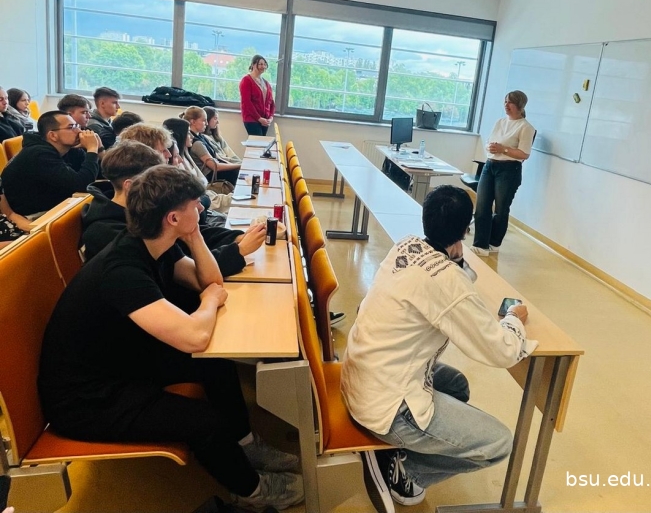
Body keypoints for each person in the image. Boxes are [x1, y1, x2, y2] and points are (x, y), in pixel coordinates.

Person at [38, 165, 303, 510]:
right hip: (85, 399)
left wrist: (194, 238)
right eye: (195, 205)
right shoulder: (122, 270)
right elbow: (194, 336)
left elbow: (208, 281)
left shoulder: (153, 243)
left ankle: (244, 444)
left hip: (118, 362)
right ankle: (251, 491)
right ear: (173, 218)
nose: (202, 209)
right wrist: (209, 303)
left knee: (216, 363)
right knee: (203, 422)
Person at [341, 185, 536, 511]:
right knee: (499, 443)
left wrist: (454, 257)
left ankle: (400, 448)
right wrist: (514, 318)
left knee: (456, 384)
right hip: (386, 406)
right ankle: (407, 473)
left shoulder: (406, 246)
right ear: (465, 231)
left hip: (362, 378)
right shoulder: (447, 281)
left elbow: (453, 280)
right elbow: (501, 350)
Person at [81, 141, 266, 280]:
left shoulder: (147, 215)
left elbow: (191, 256)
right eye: (155, 179)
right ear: (131, 186)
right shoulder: (111, 233)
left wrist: (239, 238)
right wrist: (238, 250)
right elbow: (185, 277)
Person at [471, 91, 536, 257]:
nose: (506, 105)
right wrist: (491, 147)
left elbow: (524, 154)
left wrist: (503, 149)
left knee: (500, 210)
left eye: (510, 102)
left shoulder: (526, 127)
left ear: (520, 106)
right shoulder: (500, 122)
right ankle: (480, 245)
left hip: (509, 170)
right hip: (490, 165)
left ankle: (494, 243)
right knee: (482, 206)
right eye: (505, 101)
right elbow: (489, 142)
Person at [1, 111, 99, 217]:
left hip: (56, 204)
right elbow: (83, 185)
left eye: (77, 126)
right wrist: (92, 149)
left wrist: (99, 149)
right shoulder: (39, 154)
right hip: (32, 216)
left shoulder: (67, 147)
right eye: (71, 127)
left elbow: (98, 174)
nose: (79, 131)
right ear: (53, 135)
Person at [163, 117, 236, 215]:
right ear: (181, 135)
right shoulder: (176, 162)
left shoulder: (186, 154)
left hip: (206, 194)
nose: (191, 136)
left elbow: (202, 182)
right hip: (202, 199)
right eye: (188, 133)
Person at [181, 107, 241, 185]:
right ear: (193, 122)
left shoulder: (202, 137)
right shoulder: (197, 143)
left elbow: (218, 158)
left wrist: (235, 164)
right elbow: (215, 167)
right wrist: (239, 166)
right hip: (210, 176)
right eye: (204, 121)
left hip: (215, 170)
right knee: (237, 173)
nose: (206, 123)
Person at [239, 55, 275, 136]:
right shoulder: (246, 81)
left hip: (265, 120)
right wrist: (259, 118)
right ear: (254, 65)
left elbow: (271, 102)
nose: (263, 66)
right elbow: (246, 102)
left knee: (262, 142)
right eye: (261, 64)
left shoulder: (266, 83)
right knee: (257, 142)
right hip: (251, 119)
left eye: (264, 64)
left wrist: (270, 117)